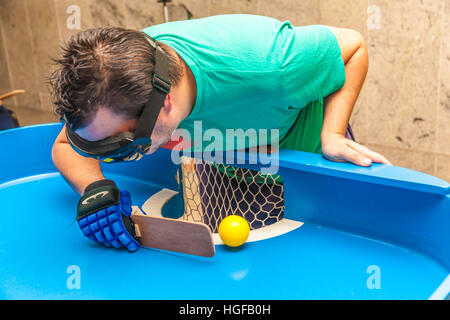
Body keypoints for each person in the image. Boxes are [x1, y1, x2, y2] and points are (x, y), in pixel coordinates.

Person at [49, 14, 391, 251]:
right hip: (224, 163)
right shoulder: (114, 82)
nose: (115, 155)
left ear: (163, 100)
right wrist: (95, 189)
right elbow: (66, 143)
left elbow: (353, 46)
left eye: (122, 144)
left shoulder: (273, 66)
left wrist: (331, 133)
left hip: (303, 161)